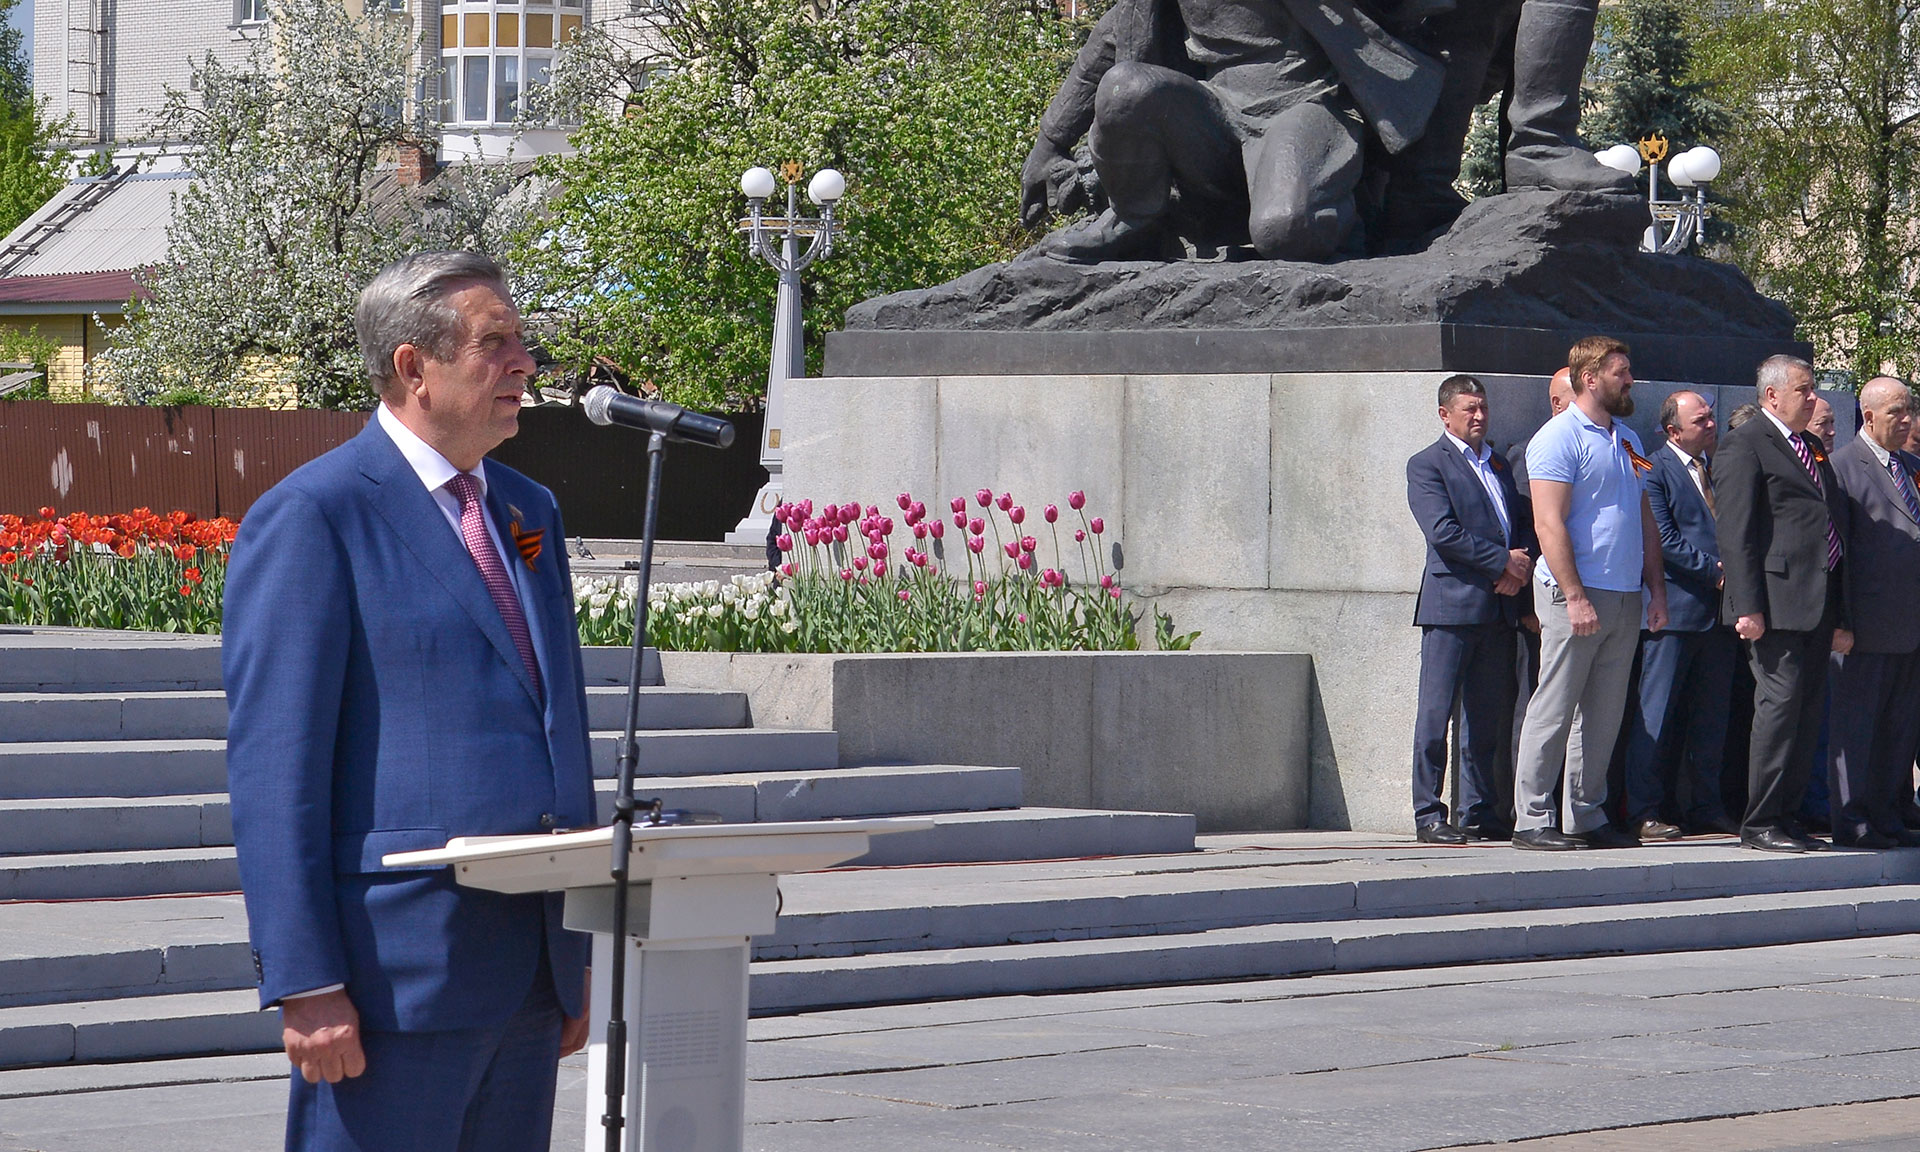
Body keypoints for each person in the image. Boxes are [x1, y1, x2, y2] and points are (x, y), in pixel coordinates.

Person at [223, 251, 596, 1150]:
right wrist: (306, 980)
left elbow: (558, 724)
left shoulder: (528, 510)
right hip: (394, 978)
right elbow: (276, 768)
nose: (525, 363)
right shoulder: (316, 515)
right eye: (495, 343)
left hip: (531, 972)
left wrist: (576, 951)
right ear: (412, 366)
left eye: (523, 341)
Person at [1017, 0, 1444, 263]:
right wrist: (1050, 144)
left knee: (1284, 229)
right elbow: (1114, 34)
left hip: (1304, 103)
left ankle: (1352, 221)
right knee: (1124, 87)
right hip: (1215, 111)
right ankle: (1134, 217)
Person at [1510, 335, 1668, 850]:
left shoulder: (1629, 439)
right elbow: (1548, 523)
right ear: (1590, 378)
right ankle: (1532, 818)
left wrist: (1656, 590)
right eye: (1621, 373)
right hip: (1574, 595)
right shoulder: (1557, 438)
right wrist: (1574, 595)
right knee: (1554, 708)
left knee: (1603, 715)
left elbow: (1644, 517)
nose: (1630, 381)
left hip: (1624, 595)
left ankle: (1585, 814)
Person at [1714, 354, 1852, 853]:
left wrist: (1842, 611)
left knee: (1807, 713)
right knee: (1779, 708)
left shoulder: (1808, 446)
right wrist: (1746, 606)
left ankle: (1788, 817)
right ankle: (1761, 821)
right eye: (1804, 389)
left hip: (1817, 602)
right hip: (1773, 604)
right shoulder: (1744, 444)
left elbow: (1829, 522)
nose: (1814, 398)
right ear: (1772, 395)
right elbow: (1736, 534)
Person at [1406, 375, 1534, 842]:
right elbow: (1443, 531)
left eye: (1483, 407)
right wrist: (1502, 561)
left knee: (1484, 720)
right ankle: (1429, 814)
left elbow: (1519, 522)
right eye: (1469, 409)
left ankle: (1478, 812)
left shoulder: (1498, 463)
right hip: (1451, 607)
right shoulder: (1427, 464)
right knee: (1435, 715)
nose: (1479, 416)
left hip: (1498, 607)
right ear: (1445, 415)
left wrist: (1518, 568)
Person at [1623, 391, 1739, 839]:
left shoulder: (1717, 469)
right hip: (1673, 611)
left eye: (1711, 417)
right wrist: (1716, 573)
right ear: (1673, 430)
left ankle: (1706, 806)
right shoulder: (1653, 469)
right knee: (1656, 714)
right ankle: (1644, 809)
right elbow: (1664, 539)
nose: (1711, 425)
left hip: (1719, 617)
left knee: (1712, 718)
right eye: (1701, 420)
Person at [1825, 377, 1920, 848]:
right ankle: (1853, 819)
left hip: (1909, 625)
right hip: (1864, 627)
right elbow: (1835, 554)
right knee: (1857, 729)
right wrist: (1840, 621)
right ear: (1868, 416)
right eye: (1896, 412)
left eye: (1909, 410)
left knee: (1898, 730)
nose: (1907, 420)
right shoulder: (1842, 467)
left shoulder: (1912, 466)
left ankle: (1887, 814)